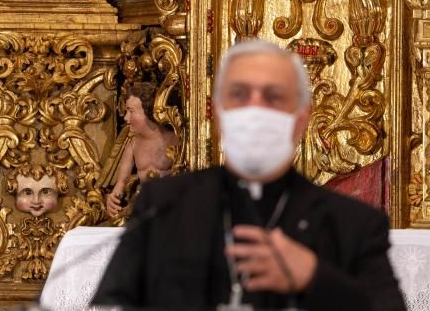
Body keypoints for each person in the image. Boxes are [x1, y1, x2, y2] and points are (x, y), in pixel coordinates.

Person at [92, 39, 406, 311]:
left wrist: (314, 276)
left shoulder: (354, 224)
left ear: (300, 119)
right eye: (240, 95)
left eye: (273, 96)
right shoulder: (163, 206)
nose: (255, 110)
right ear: (217, 115)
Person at [106, 82, 178, 218]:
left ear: (149, 111)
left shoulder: (173, 140)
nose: (126, 118)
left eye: (131, 111)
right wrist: (113, 200)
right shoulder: (133, 145)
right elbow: (120, 184)